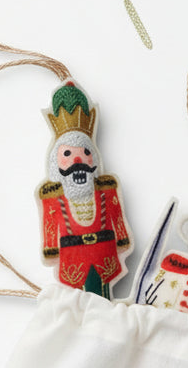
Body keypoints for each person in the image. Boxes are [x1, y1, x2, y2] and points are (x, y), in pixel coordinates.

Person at [37, 81, 132, 299]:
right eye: (68, 154)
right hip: (72, 260)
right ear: (56, 162)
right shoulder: (51, 195)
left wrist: (122, 241)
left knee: (104, 297)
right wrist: (51, 249)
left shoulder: (107, 188)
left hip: (105, 254)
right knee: (80, 301)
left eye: (84, 153)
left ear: (94, 158)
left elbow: (116, 216)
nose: (78, 160)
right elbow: (50, 224)